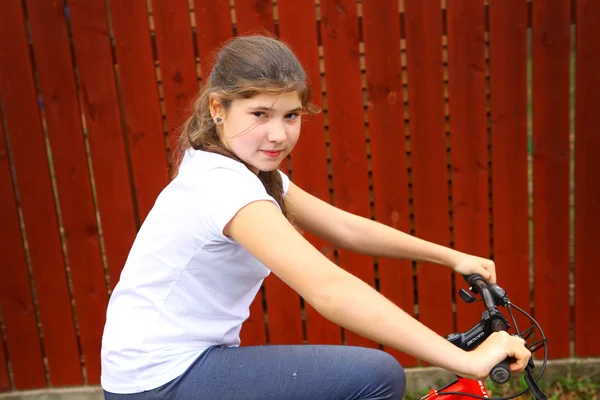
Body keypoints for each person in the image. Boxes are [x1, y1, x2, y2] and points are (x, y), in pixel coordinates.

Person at [101, 35, 531, 400]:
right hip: (159, 380)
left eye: (290, 116)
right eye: (259, 115)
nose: (278, 134)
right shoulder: (222, 186)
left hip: (177, 364)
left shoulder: (248, 174)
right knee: (375, 376)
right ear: (218, 108)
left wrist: (451, 257)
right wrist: (464, 359)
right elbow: (327, 288)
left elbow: (344, 227)